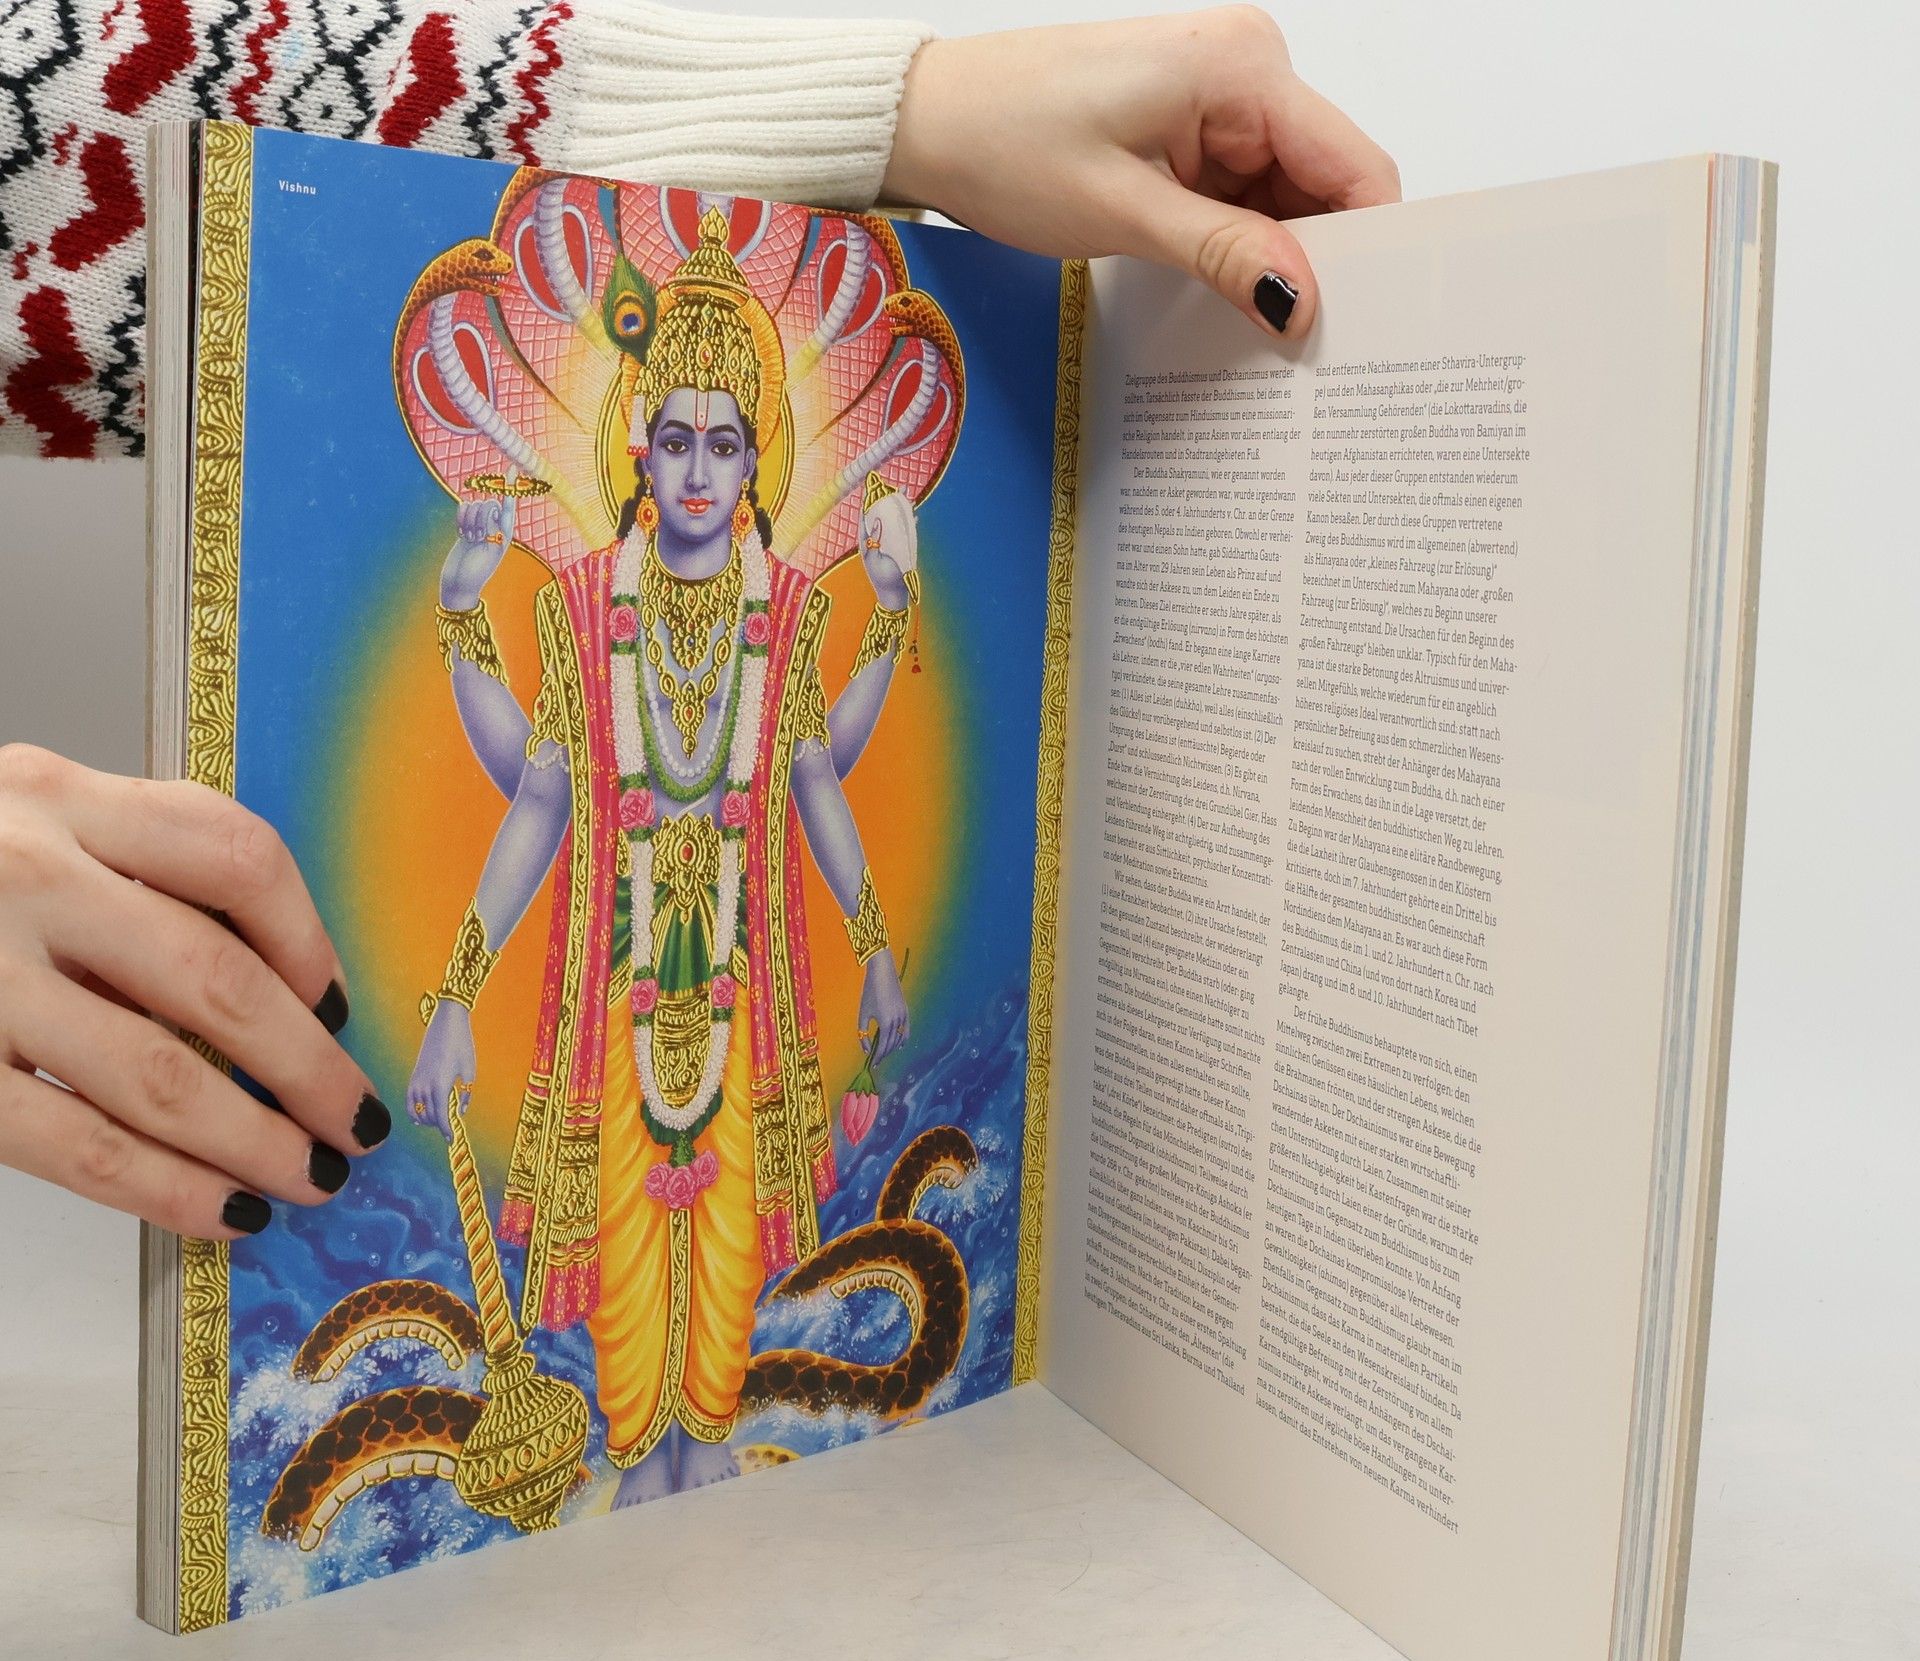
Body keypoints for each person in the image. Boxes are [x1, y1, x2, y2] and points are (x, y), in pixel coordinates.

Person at [0, 2, 1397, 1244]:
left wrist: (873, 934)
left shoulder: (779, 606)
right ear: (634, 451)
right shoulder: (590, 602)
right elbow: (536, 792)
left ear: (759, 462)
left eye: (726, 445)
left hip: (752, 1013)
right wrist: (456, 984)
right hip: (602, 1028)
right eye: (672, 439)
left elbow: (816, 772)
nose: (696, 471)